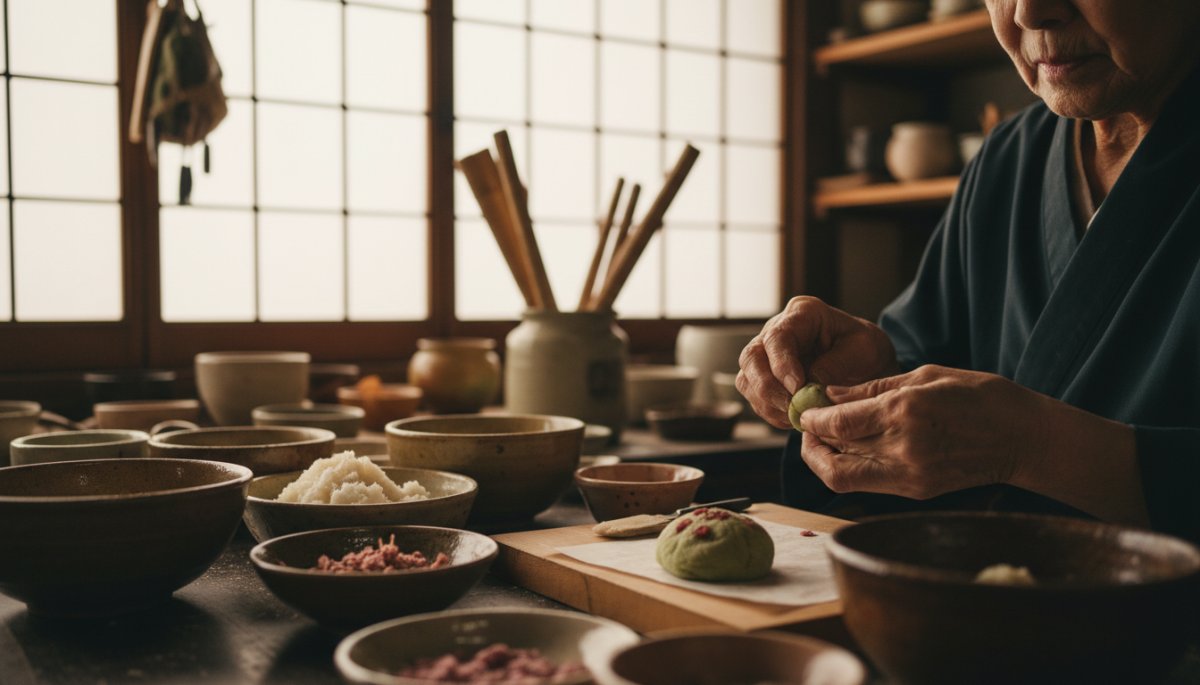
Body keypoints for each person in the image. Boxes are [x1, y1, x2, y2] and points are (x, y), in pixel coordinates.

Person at [736, 0, 1200, 542]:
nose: (1029, 13)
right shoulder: (1008, 158)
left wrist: (1034, 446)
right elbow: (926, 369)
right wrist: (864, 381)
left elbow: (1000, 435)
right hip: (978, 602)